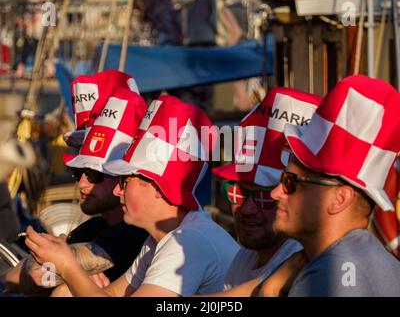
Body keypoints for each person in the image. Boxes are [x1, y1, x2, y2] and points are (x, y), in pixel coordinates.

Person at [24, 95, 240, 297]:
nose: (118, 191)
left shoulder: (188, 241)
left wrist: (67, 265)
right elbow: (110, 294)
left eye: (124, 181)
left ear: (157, 187)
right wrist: (72, 272)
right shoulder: (158, 240)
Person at [3, 81, 148, 297]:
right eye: (78, 173)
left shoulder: (134, 232)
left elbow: (35, 274)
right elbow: (15, 277)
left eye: (93, 174)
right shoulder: (95, 227)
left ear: (122, 176)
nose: (81, 183)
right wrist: (72, 272)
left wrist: (66, 272)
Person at [261, 75, 400, 296]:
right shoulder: (363, 258)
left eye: (290, 182)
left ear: (340, 199)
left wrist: (268, 291)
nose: (276, 193)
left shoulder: (329, 276)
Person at [212, 88, 321, 292]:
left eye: (264, 196)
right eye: (239, 192)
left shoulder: (305, 266)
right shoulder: (245, 258)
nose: (247, 208)